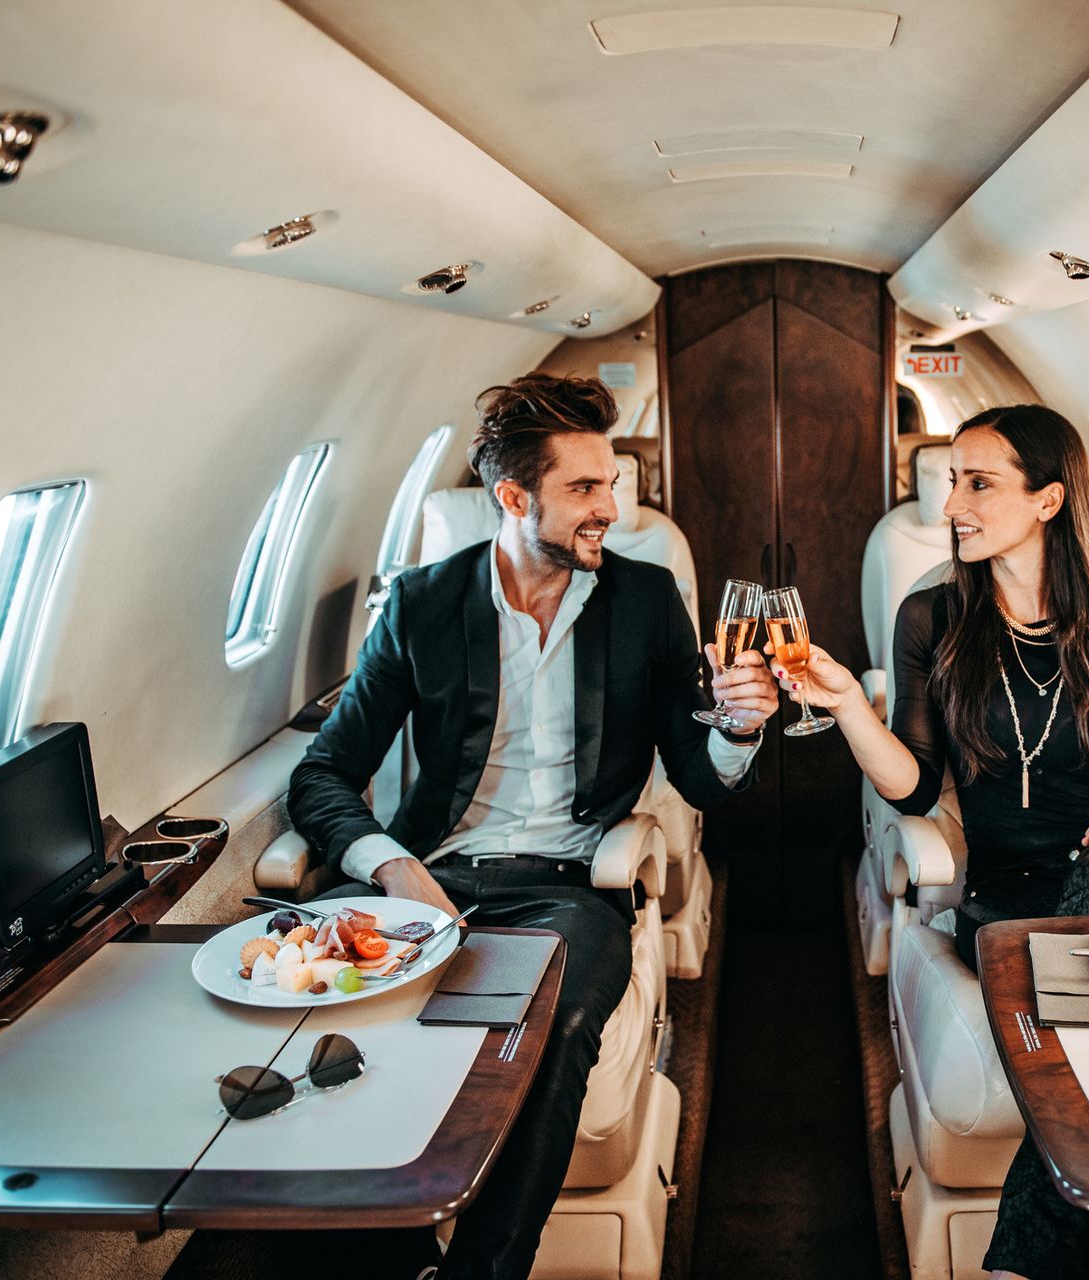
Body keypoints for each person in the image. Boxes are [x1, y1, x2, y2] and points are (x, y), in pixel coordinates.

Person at [287, 372, 779, 1280]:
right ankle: (394, 1252)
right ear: (514, 499)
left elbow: (699, 781)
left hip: (567, 886)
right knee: (368, 1042)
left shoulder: (645, 599)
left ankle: (485, 1270)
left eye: (613, 484)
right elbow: (321, 775)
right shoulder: (423, 604)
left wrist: (739, 729)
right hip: (427, 877)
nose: (611, 510)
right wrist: (392, 868)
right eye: (585, 490)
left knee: (550, 1030)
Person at [770, 403, 1089, 1280]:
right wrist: (850, 707)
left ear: (1050, 500)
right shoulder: (931, 618)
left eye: (979, 484)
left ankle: (1022, 1268)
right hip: (1011, 902)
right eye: (950, 483)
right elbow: (915, 786)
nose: (953, 505)